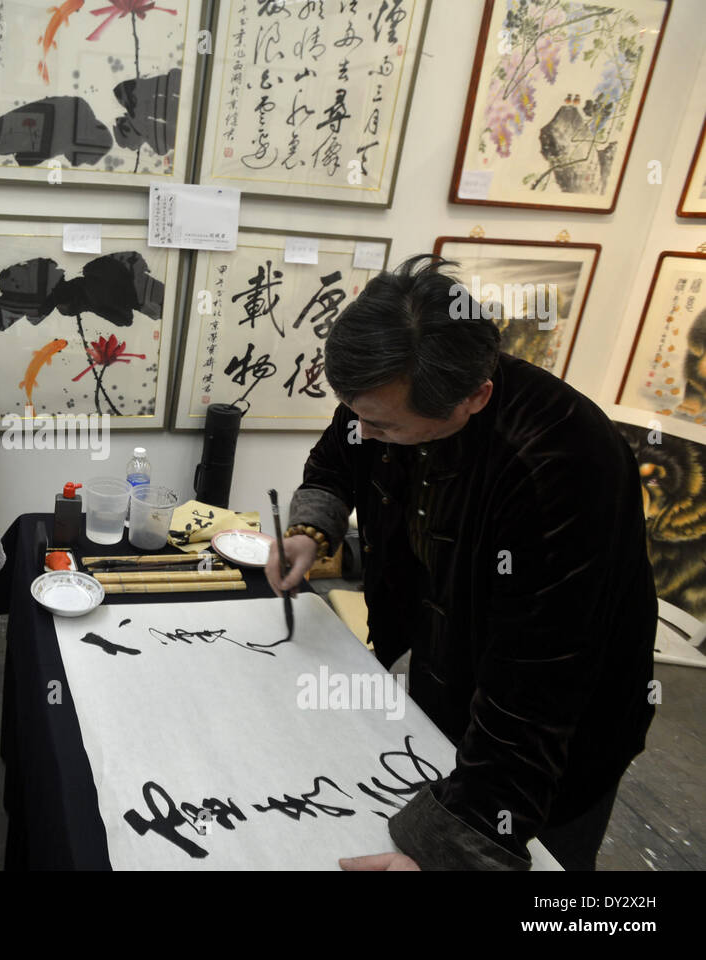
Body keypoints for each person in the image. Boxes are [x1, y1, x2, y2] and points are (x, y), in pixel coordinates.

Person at [267, 255, 656, 872]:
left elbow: (536, 694)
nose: (362, 430)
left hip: (562, 732)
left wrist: (452, 853)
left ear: (475, 396)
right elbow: (340, 457)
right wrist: (311, 529)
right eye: (357, 412)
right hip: (446, 662)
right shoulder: (393, 386)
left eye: (383, 425)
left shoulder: (559, 465)